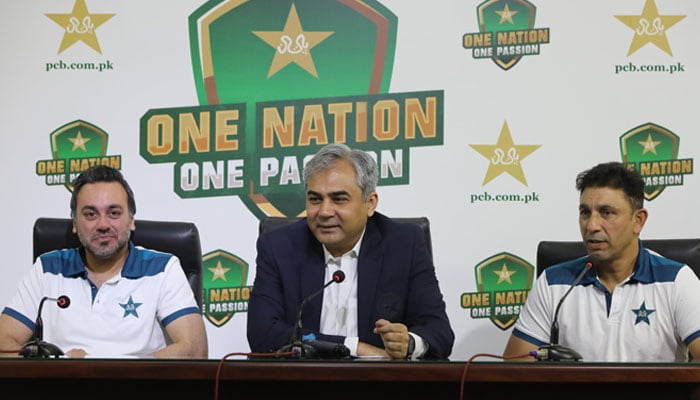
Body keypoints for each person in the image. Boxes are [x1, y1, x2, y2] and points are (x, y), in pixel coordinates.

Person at [247, 143, 454, 359]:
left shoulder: (404, 245)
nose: (325, 212)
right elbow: (263, 334)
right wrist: (354, 347)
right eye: (315, 199)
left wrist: (409, 343)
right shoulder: (279, 246)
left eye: (339, 199)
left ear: (370, 203)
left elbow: (439, 331)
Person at [0, 165, 208, 358]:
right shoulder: (47, 268)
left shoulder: (163, 269)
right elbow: (3, 342)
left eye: (114, 213)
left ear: (131, 220)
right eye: (90, 214)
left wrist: (103, 369)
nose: (103, 225)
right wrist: (56, 363)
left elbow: (195, 350)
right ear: (74, 223)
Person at [503, 161, 700, 362]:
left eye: (607, 213)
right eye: (585, 213)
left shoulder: (676, 281)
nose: (592, 225)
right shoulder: (554, 282)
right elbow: (515, 368)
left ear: (638, 221)